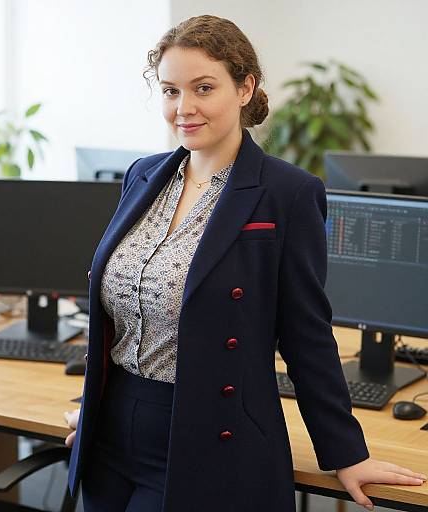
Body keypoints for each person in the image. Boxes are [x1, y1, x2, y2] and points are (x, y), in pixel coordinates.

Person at [64, 14, 426, 512]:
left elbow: (307, 333)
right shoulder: (143, 176)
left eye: (203, 88)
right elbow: (116, 312)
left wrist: (346, 452)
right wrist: (92, 405)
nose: (183, 108)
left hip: (208, 434)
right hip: (110, 433)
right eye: (170, 91)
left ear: (244, 88)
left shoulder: (288, 193)